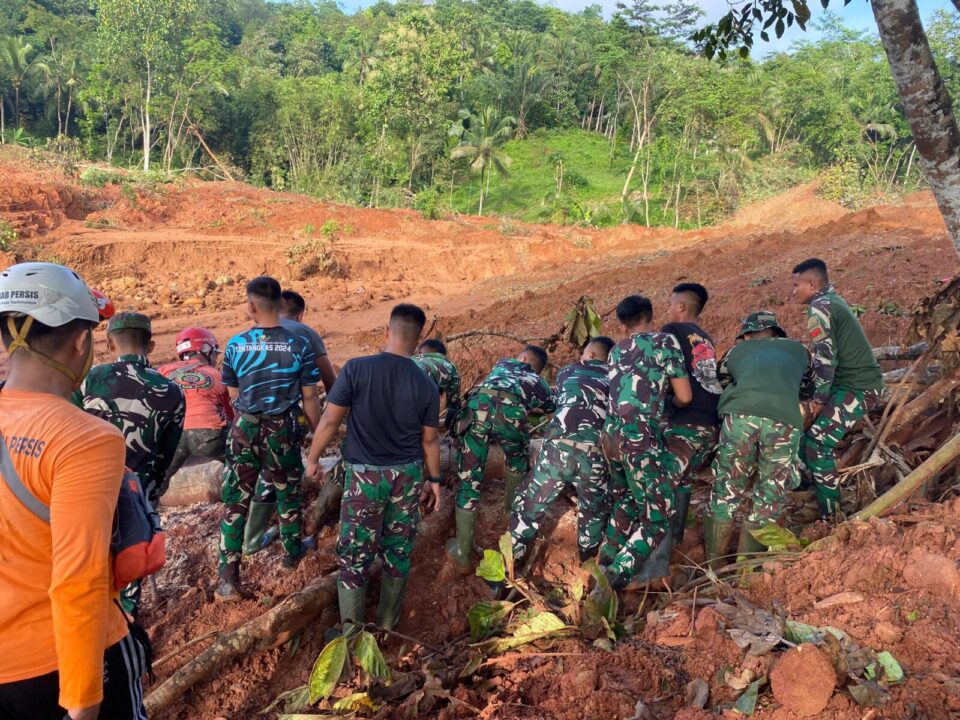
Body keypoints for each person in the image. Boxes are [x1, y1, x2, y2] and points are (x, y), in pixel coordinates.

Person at [0, 262, 147, 720]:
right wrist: (83, 703)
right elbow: (77, 582)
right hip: (61, 666)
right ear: (82, 341)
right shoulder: (85, 439)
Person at [304, 304, 442, 634]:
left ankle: (351, 636)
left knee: (354, 557)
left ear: (387, 331)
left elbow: (330, 420)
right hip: (406, 477)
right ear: (418, 338)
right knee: (398, 551)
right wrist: (434, 480)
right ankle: (387, 625)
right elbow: (430, 441)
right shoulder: (426, 384)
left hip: (364, 477)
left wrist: (312, 459)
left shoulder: (356, 369)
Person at [217, 277, 323, 598]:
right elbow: (310, 398)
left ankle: (227, 579)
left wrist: (249, 420)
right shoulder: (299, 346)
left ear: (250, 306)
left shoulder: (235, 345)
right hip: (282, 430)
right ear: (280, 305)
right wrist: (319, 434)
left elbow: (233, 394)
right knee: (287, 492)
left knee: (236, 500)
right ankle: (292, 555)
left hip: (245, 429)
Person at [597, 295, 691, 591]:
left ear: (623, 327)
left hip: (610, 438)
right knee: (657, 518)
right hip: (639, 439)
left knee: (626, 500)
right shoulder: (664, 342)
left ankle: (601, 566)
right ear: (652, 316)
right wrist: (669, 403)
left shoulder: (615, 350)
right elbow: (685, 396)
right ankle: (613, 579)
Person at [704, 312, 812, 567]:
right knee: (770, 493)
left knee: (727, 489)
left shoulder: (736, 351)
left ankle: (712, 568)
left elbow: (720, 381)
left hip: (740, 418)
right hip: (784, 419)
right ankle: (745, 568)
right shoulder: (800, 351)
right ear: (777, 333)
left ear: (747, 335)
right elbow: (807, 388)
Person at [634, 283, 722, 582]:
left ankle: (653, 570)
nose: (667, 310)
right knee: (682, 481)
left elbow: (673, 385)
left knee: (661, 487)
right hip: (709, 424)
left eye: (670, 304)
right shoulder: (705, 339)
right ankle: (677, 541)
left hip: (686, 422)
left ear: (681, 307)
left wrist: (664, 402)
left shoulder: (671, 332)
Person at [509, 336, 615, 565]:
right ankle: (589, 565)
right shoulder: (618, 379)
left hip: (557, 452)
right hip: (595, 456)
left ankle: (510, 564)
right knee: (594, 511)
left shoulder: (567, 372)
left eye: (584, 353)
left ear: (592, 355)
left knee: (529, 503)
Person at [448, 345, 555, 572]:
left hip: (479, 410)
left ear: (523, 357)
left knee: (469, 481)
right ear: (537, 368)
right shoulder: (536, 381)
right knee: (517, 461)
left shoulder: (503, 364)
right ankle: (509, 516)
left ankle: (463, 555)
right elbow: (550, 405)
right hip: (511, 415)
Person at [791, 258, 884, 516]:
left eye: (797, 285)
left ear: (812, 283)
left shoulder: (820, 307)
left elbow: (825, 359)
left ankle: (831, 514)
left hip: (859, 388)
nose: (794, 291)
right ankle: (812, 490)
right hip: (849, 385)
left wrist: (819, 400)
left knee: (818, 442)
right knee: (803, 430)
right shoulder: (832, 300)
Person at [75, 312, 186, 507]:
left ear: (109, 343)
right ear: (150, 346)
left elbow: (68, 424)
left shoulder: (91, 377)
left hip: (88, 489)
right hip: (140, 497)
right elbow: (166, 455)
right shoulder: (173, 391)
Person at [158, 327, 234, 485]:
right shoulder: (215, 374)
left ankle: (145, 507)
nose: (215, 358)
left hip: (174, 434)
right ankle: (239, 506)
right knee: (241, 466)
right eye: (214, 352)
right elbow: (229, 412)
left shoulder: (163, 371)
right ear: (205, 349)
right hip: (208, 433)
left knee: (157, 482)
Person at [280, 290, 337, 394]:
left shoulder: (251, 334)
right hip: (292, 405)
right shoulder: (306, 332)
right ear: (300, 315)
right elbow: (329, 379)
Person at [413, 338, 462, 428]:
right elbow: (454, 407)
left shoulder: (410, 359)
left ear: (420, 352)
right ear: (442, 354)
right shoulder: (448, 365)